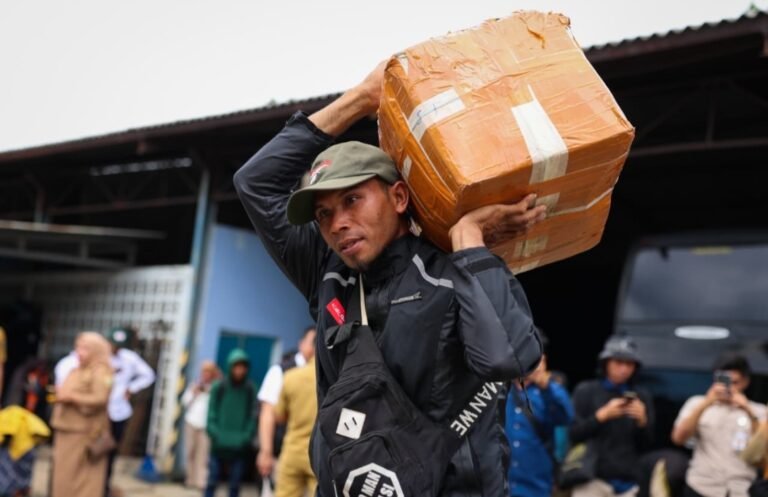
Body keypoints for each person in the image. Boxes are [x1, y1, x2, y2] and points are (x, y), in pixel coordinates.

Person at [233, 61, 544, 497]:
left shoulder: (453, 271)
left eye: (353, 199)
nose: (338, 223)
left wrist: (469, 239)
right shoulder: (328, 274)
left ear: (398, 197)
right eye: (324, 215)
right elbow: (254, 183)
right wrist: (360, 98)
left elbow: (509, 357)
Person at [55, 326, 156, 497]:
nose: (116, 349)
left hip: (113, 414)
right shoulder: (75, 365)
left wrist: (131, 388)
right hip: (78, 424)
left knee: (103, 457)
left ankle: (104, 488)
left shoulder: (112, 365)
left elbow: (101, 397)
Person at [569, 335, 655, 497]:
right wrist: (601, 417)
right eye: (618, 362)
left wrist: (642, 421)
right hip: (591, 480)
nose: (624, 369)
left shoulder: (641, 396)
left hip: (628, 483)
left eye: (629, 364)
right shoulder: (586, 390)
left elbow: (647, 445)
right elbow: (573, 434)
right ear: (606, 363)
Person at [671, 354, 767, 497]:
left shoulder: (759, 411)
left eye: (735, 382)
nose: (729, 388)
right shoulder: (696, 403)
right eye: (724, 381)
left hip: (740, 489)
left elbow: (763, 452)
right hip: (700, 487)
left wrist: (747, 410)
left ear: (745, 382)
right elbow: (678, 438)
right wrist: (706, 403)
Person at [506, 333, 574, 497]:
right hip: (498, 485)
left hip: (535, 486)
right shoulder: (499, 388)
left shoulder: (551, 391)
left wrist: (546, 386)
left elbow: (566, 417)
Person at [50, 332, 114, 497]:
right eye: (78, 347)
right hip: (67, 428)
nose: (79, 352)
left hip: (84, 432)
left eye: (85, 348)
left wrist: (71, 397)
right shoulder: (77, 369)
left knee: (83, 480)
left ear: (96, 350)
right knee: (64, 476)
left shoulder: (100, 370)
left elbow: (101, 398)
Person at [256, 326, 316, 480]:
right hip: (281, 451)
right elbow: (267, 413)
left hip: (313, 457)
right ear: (301, 344)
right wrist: (266, 452)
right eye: (313, 343)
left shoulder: (324, 374)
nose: (316, 349)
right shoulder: (281, 371)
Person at [205, 348, 257, 497]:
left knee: (235, 485)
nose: (239, 370)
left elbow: (253, 415)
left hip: (239, 447)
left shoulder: (250, 389)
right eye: (236, 366)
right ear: (230, 366)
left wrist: (246, 437)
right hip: (219, 445)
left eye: (243, 367)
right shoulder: (219, 386)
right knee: (212, 481)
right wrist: (214, 433)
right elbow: (211, 412)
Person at [273, 357, 318, 497]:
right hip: (320, 454)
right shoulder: (335, 379)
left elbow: (279, 416)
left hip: (292, 450)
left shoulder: (291, 376)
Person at [182, 360, 220, 489]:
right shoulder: (195, 384)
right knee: (190, 452)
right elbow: (185, 402)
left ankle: (201, 482)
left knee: (203, 455)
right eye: (204, 371)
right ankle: (190, 480)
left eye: (209, 372)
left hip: (206, 425)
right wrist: (194, 392)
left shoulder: (216, 387)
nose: (206, 375)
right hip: (192, 422)